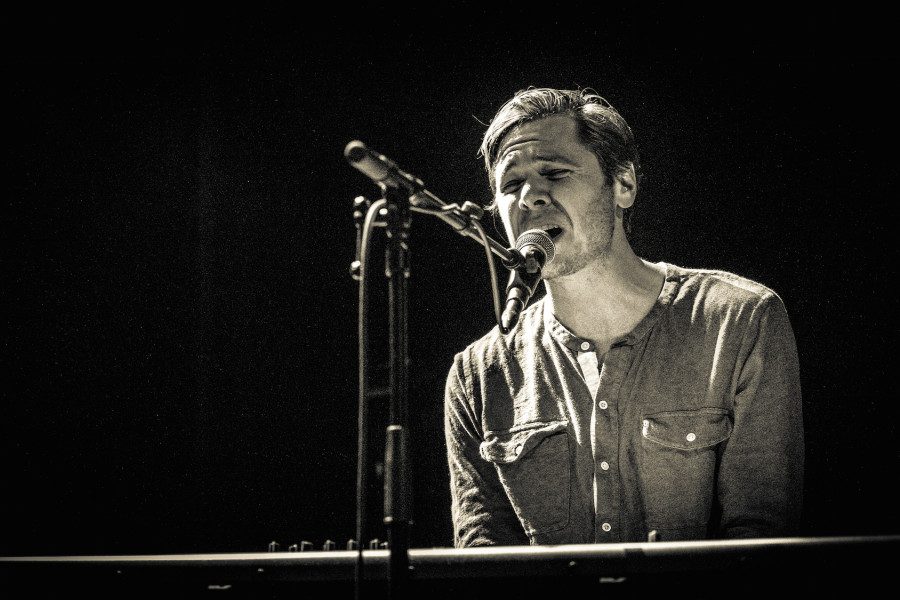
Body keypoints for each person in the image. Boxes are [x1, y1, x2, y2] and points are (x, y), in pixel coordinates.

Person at [443, 86, 804, 547]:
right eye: (511, 185)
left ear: (624, 185)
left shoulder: (740, 321)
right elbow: (484, 561)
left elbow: (761, 543)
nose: (530, 196)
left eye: (554, 173)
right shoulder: (478, 373)